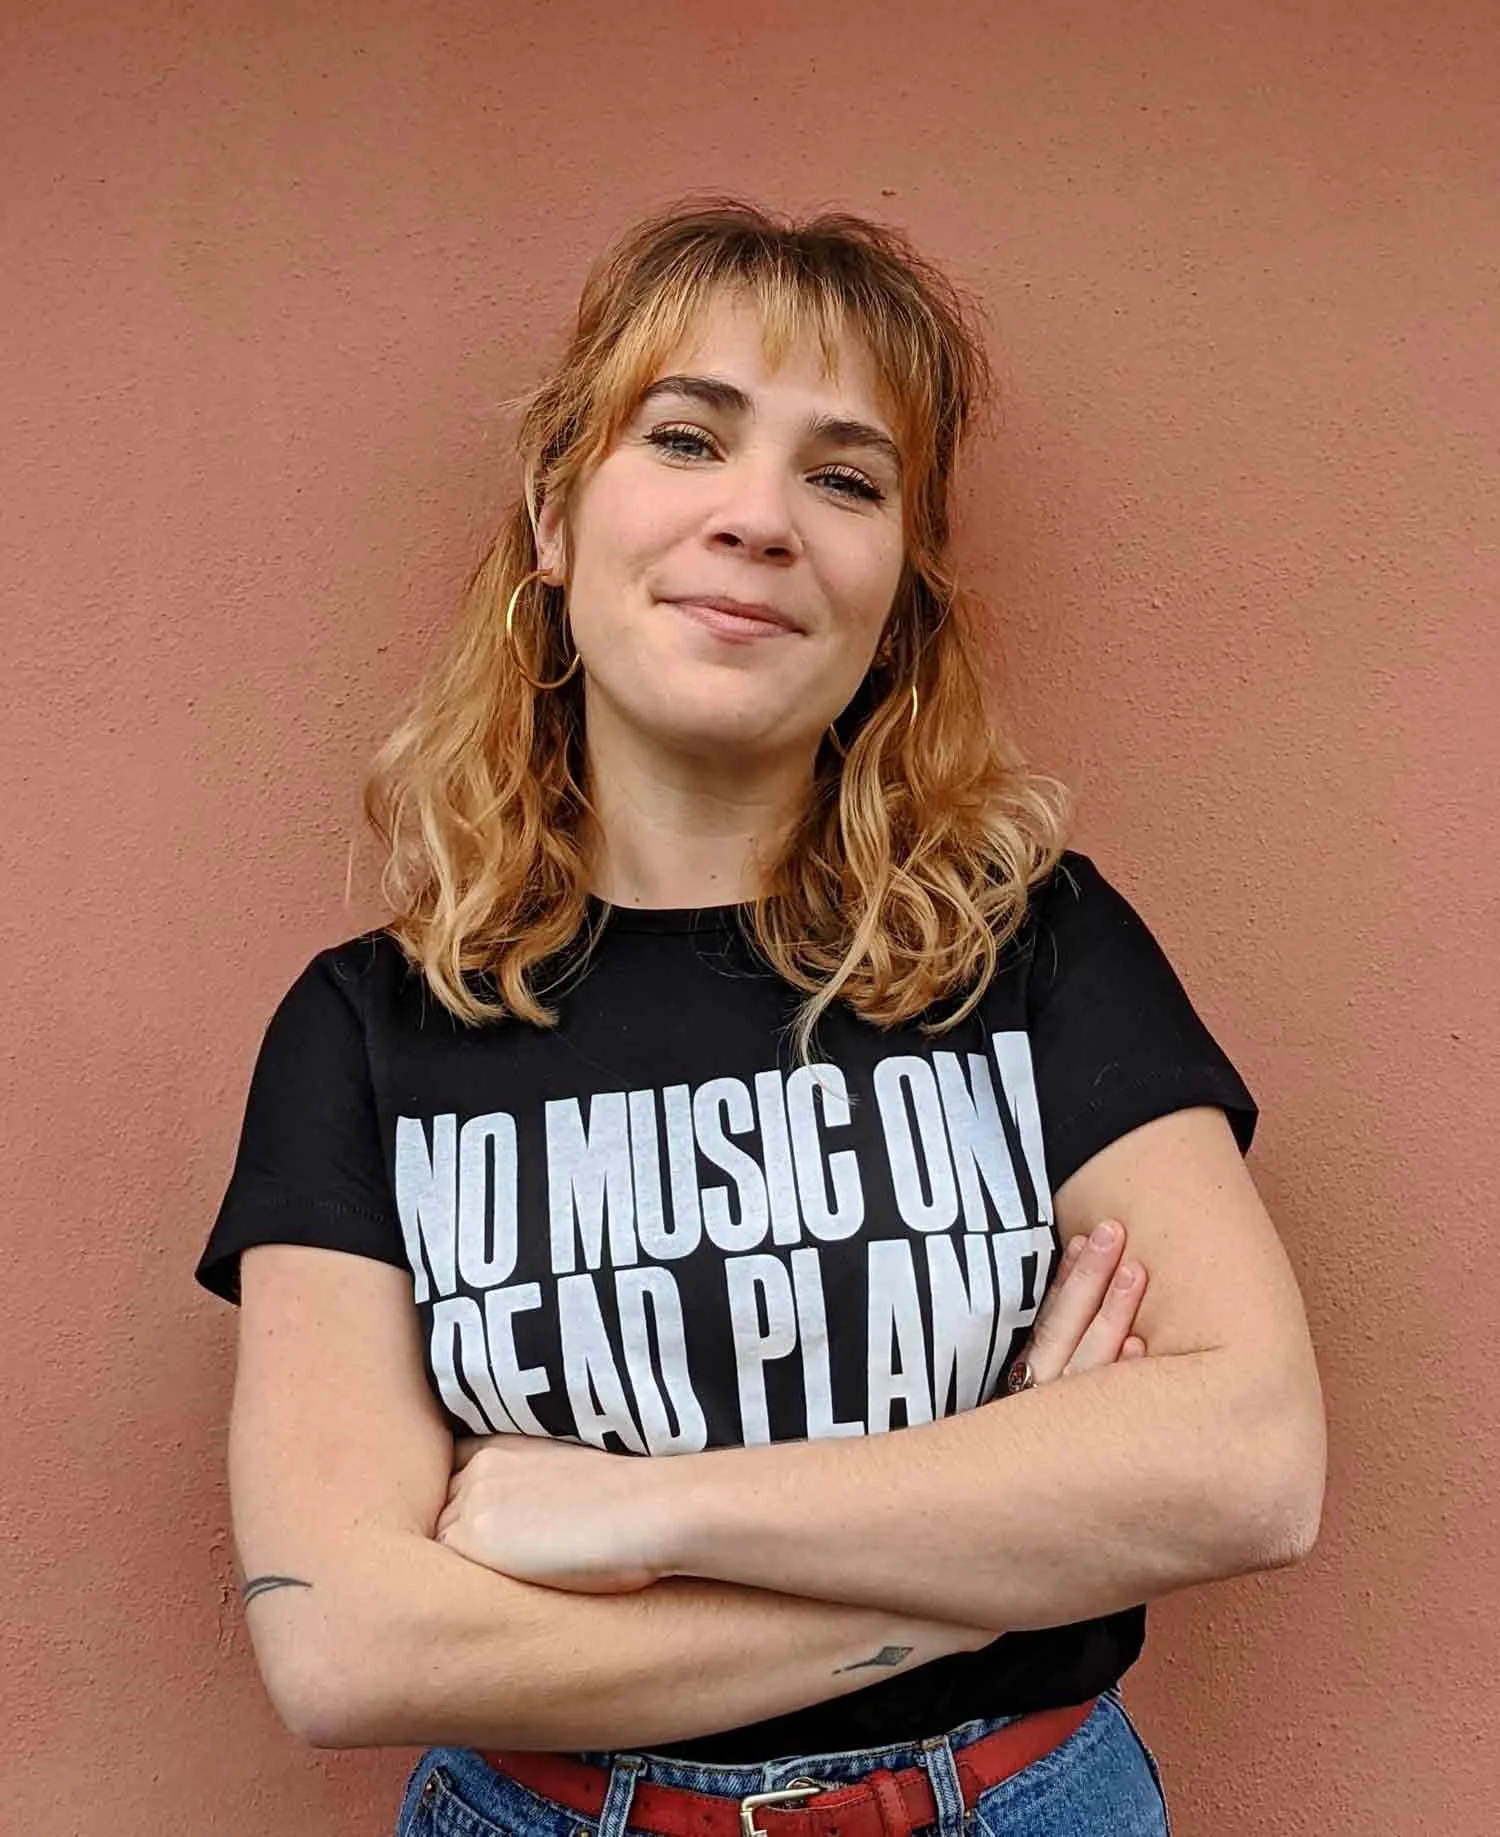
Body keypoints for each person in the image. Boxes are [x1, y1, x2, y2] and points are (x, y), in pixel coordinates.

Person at [195, 197, 1325, 1837]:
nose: (761, 520)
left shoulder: (1037, 950)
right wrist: (997, 1554)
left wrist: (636, 1516)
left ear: (895, 603)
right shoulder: (368, 1033)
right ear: (557, 520)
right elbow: (349, 1645)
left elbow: (1252, 1463)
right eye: (687, 437)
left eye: (845, 477)